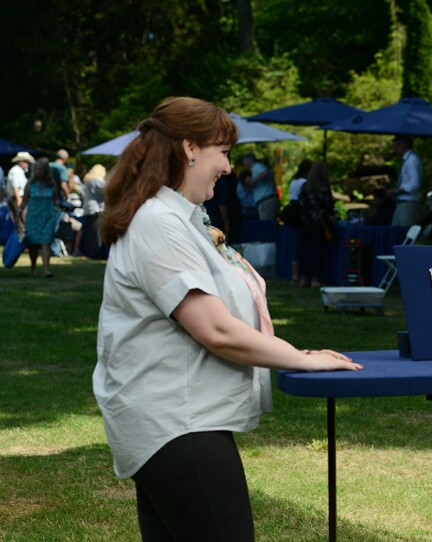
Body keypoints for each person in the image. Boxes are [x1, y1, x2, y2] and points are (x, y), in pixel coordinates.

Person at [93, 96, 362, 541]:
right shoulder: (160, 222)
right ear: (190, 148)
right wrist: (301, 358)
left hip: (176, 425)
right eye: (224, 152)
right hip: (177, 425)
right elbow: (215, 329)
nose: (229, 167)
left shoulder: (180, 218)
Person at [297, 161, 336, 287]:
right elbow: (328, 206)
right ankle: (315, 278)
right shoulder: (323, 187)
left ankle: (304, 278)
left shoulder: (306, 186)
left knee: (305, 250)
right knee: (317, 251)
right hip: (318, 223)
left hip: (305, 222)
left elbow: (301, 203)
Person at [21, 158, 60, 277]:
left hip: (48, 217)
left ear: (46, 171)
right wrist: (18, 214)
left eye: (41, 170)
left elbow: (56, 199)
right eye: (37, 169)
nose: (39, 172)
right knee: (33, 244)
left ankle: (46, 269)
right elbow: (24, 201)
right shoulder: (30, 184)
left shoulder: (51, 185)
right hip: (33, 218)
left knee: (45, 242)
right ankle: (33, 267)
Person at [284, 159, 312, 283]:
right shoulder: (305, 182)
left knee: (297, 243)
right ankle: (298, 274)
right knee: (300, 245)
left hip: (292, 211)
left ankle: (295, 274)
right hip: (300, 213)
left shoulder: (294, 181)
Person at [387, 134, 422, 226]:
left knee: (404, 232)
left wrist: (396, 191)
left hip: (408, 203)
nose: (394, 147)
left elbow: (414, 184)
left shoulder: (412, 160)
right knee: (395, 231)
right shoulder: (407, 160)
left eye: (396, 145)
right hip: (402, 202)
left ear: (403, 145)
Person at [78, 163, 108, 259]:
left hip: (87, 209)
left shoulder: (88, 180)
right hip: (96, 209)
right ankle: (96, 254)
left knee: (90, 234)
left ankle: (90, 252)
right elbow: (105, 191)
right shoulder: (97, 181)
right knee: (96, 234)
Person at [242, 153, 279, 221]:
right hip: (268, 201)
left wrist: (253, 180)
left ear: (248, 163)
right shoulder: (258, 167)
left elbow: (265, 173)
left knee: (267, 227)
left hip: (266, 201)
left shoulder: (256, 167)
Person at [6, 152, 34, 231]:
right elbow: (15, 187)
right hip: (18, 198)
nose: (28, 164)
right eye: (26, 162)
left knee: (21, 220)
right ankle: (20, 239)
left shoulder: (19, 171)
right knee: (22, 220)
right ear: (21, 161)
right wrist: (19, 200)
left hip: (19, 198)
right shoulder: (16, 171)